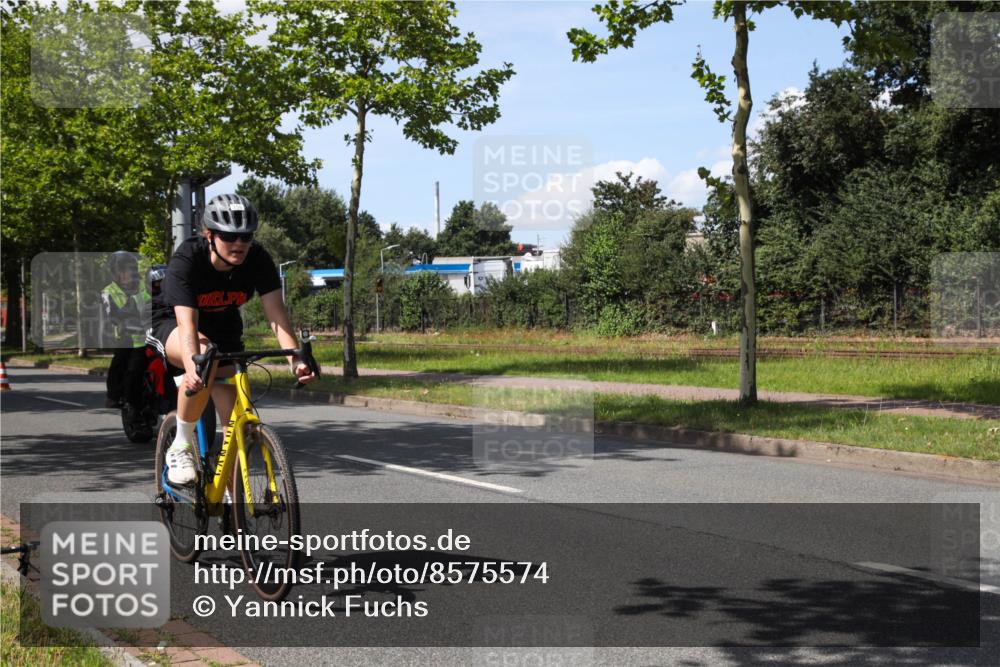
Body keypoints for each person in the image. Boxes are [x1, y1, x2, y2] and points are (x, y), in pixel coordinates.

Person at [147, 194, 315, 485]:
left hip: (224, 326)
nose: (239, 244)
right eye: (228, 236)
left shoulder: (258, 259)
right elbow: (188, 324)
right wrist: (191, 367)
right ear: (209, 235)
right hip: (172, 322)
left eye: (245, 236)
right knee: (204, 357)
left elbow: (276, 314)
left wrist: (295, 359)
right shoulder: (188, 259)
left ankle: (228, 500)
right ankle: (182, 445)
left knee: (235, 427)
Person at [102, 251, 149, 409]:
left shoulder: (145, 285)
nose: (126, 273)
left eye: (129, 269)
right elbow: (111, 315)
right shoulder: (109, 291)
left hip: (151, 334)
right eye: (121, 270)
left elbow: (158, 302)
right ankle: (117, 397)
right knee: (125, 366)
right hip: (127, 336)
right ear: (115, 273)